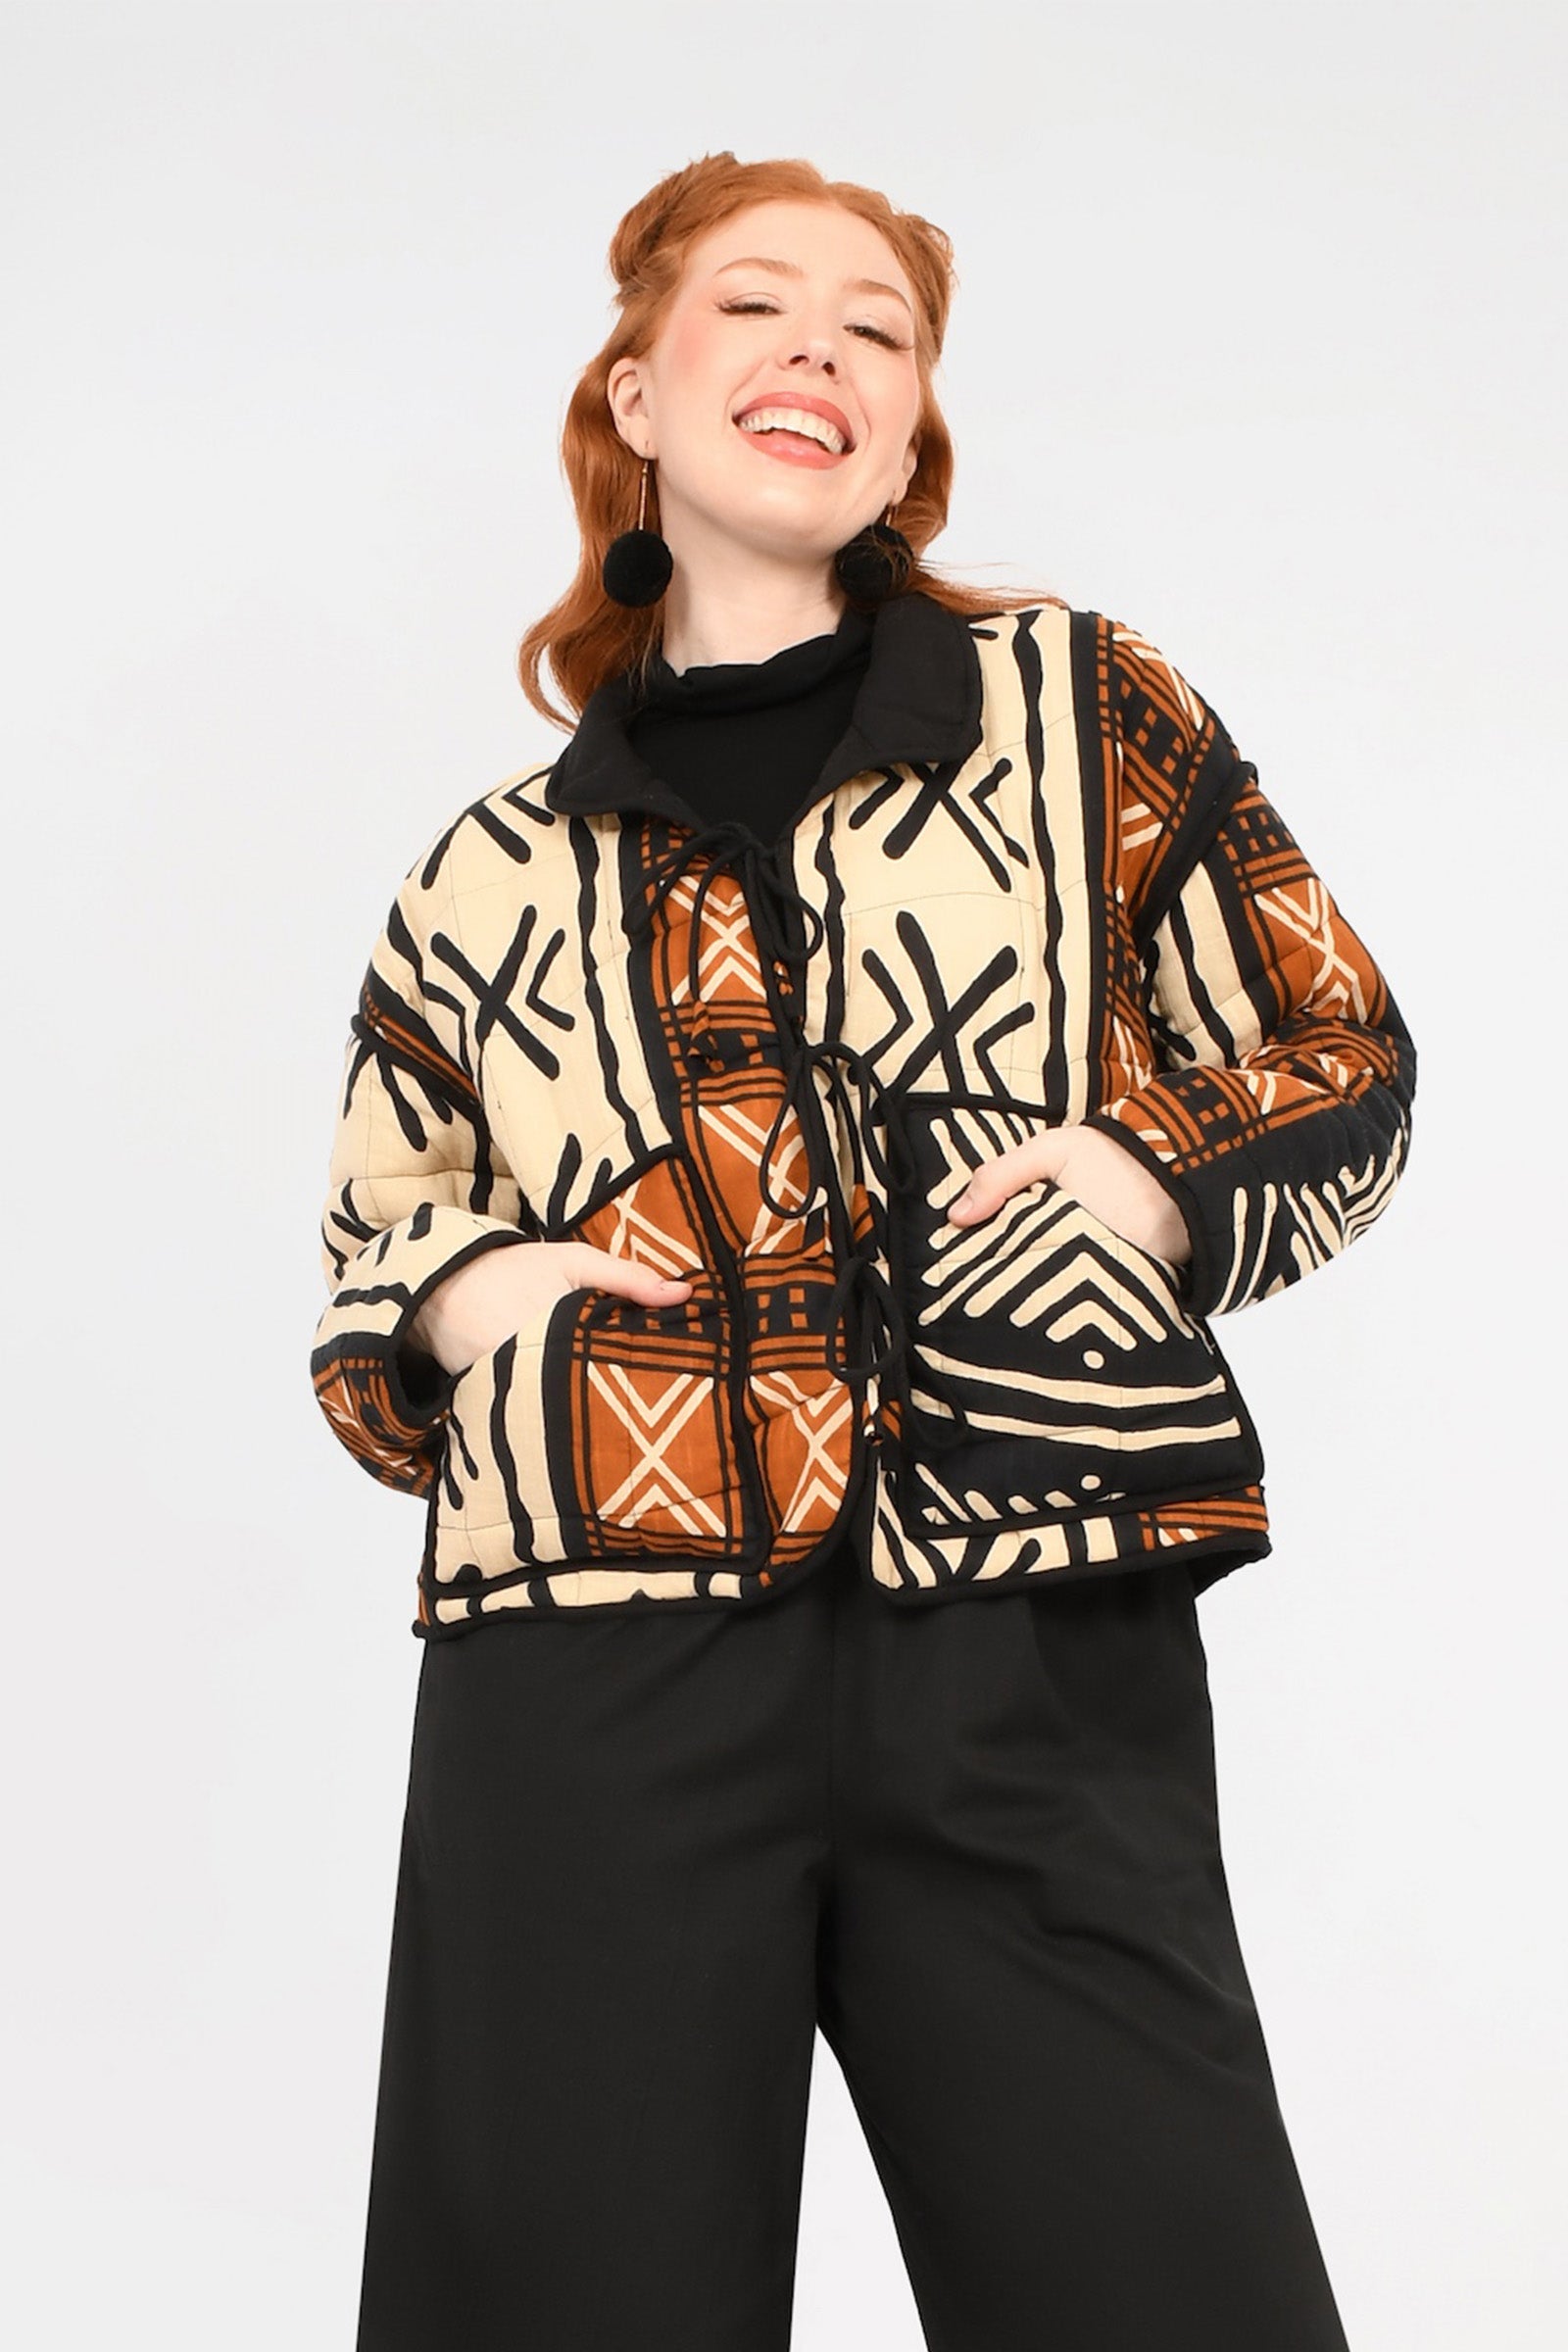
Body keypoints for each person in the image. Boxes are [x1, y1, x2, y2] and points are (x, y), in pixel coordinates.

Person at [311, 151, 1416, 2352]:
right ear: (637, 395)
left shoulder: (1081, 710)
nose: (817, 347)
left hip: (1028, 1620)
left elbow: (1343, 1054)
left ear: (906, 437)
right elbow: (373, 1251)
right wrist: (465, 1295)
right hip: (590, 1657)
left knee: (1161, 2282)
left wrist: (1152, 1170)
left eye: (877, 330)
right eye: (753, 306)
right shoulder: (487, 874)